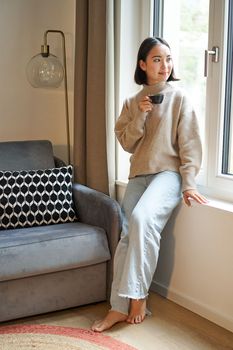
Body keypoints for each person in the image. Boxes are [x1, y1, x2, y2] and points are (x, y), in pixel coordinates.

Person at [92, 37, 207, 332]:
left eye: (168, 59)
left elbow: (190, 143)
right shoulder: (132, 103)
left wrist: (189, 183)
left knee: (143, 220)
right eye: (157, 59)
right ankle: (117, 307)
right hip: (138, 175)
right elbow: (127, 143)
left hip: (167, 174)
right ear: (143, 65)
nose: (164, 65)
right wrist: (141, 115)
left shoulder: (179, 97)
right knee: (127, 234)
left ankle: (139, 297)